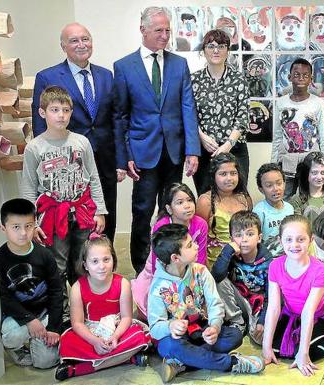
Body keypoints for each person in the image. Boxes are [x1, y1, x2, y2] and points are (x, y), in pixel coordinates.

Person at [113, 6, 200, 274]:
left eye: (167, 31)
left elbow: (188, 107)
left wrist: (192, 150)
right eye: (159, 30)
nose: (164, 36)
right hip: (143, 152)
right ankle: (142, 269)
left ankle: (169, 264)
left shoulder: (179, 63)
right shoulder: (124, 66)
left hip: (174, 151)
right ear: (143, 30)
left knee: (172, 211)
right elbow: (120, 116)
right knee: (142, 212)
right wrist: (124, 155)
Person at [32, 23, 118, 242]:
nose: (82, 45)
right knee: (70, 218)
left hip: (105, 157)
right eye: (74, 40)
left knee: (105, 210)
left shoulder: (106, 76)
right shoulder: (47, 77)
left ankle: (104, 262)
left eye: (85, 39)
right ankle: (76, 270)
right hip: (66, 160)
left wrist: (121, 160)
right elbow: (40, 124)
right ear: (63, 47)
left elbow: (116, 119)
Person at [148, 224, 265, 382]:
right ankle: (232, 363)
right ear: (175, 258)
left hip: (201, 331)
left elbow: (215, 304)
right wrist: (170, 326)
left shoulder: (201, 271)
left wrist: (215, 327)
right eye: (190, 245)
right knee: (169, 347)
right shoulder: (157, 288)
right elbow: (154, 328)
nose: (197, 246)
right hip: (179, 339)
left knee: (235, 335)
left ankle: (181, 363)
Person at [20, 86, 107, 294]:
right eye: (55, 110)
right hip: (52, 215)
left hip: (82, 212)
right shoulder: (34, 148)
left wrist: (100, 211)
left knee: (83, 261)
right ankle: (62, 309)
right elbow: (29, 187)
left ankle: (86, 304)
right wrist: (31, 223)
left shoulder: (81, 142)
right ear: (43, 113)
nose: (61, 115)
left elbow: (93, 178)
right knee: (57, 264)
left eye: (66, 110)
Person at [262, 215, 324, 377]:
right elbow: (273, 307)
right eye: (288, 239)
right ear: (280, 241)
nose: (294, 245)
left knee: (309, 353)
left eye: (301, 239)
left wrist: (303, 353)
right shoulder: (275, 266)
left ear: (310, 239)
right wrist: (266, 347)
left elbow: (308, 311)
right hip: (293, 313)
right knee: (278, 349)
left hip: (320, 313)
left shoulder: (318, 269)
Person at [55, 236, 151, 381]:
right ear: (85, 265)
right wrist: (94, 341)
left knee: (139, 336)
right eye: (95, 261)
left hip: (117, 330)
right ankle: (126, 359)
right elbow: (77, 323)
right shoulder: (77, 288)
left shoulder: (123, 283)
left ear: (113, 260)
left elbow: (126, 317)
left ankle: (80, 369)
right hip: (91, 331)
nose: (102, 266)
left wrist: (115, 337)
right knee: (66, 343)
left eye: (106, 259)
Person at [0, 198, 62, 369]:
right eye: (16, 227)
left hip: (43, 314)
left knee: (46, 362)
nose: (23, 233)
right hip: (18, 318)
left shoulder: (45, 255)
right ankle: (19, 347)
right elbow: (2, 296)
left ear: (35, 226)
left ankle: (39, 339)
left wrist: (53, 328)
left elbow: (57, 291)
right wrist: (28, 319)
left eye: (28, 226)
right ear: (3, 228)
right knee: (11, 335)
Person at [131, 183, 208, 319]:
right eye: (180, 202)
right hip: (162, 270)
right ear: (169, 208)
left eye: (190, 200)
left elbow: (201, 258)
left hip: (190, 269)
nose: (187, 205)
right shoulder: (161, 226)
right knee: (152, 312)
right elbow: (157, 261)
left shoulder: (200, 224)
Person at [191, 29, 250, 195]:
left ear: (228, 50)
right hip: (204, 151)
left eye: (221, 46)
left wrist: (227, 145)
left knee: (238, 198)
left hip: (235, 149)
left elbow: (242, 117)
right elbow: (188, 115)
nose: (216, 50)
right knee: (206, 198)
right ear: (204, 50)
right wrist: (201, 137)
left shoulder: (239, 80)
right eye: (211, 46)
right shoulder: (193, 80)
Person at [211, 210, 273, 345]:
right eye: (238, 235)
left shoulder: (269, 263)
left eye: (250, 234)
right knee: (220, 282)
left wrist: (262, 321)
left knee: (260, 340)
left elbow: (272, 296)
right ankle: (238, 322)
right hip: (239, 303)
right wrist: (228, 250)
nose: (244, 239)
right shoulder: (230, 256)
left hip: (259, 307)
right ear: (232, 238)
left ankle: (251, 324)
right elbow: (215, 277)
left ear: (259, 237)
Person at [271, 58, 324, 198]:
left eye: (305, 75)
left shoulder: (318, 103)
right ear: (289, 77)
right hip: (286, 162)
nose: (301, 78)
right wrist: (273, 165)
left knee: (309, 198)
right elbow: (277, 136)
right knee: (285, 197)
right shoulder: (281, 103)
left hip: (311, 163)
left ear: (311, 78)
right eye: (296, 74)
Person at [196, 153, 253, 268]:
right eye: (223, 174)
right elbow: (199, 240)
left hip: (243, 263)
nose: (229, 178)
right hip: (216, 264)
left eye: (233, 173)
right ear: (213, 176)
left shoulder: (245, 199)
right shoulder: (205, 202)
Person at [289, 152, 324, 225]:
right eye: (314, 173)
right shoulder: (297, 200)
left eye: (323, 172)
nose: (319, 177)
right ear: (306, 173)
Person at [253, 163, 294, 257]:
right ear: (261, 189)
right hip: (267, 259)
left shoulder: (289, 208)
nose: (275, 189)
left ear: (284, 184)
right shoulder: (259, 211)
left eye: (279, 183)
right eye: (269, 185)